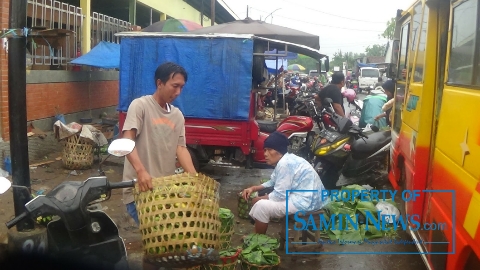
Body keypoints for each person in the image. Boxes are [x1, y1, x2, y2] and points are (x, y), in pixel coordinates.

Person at [122, 62, 197, 225]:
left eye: (181, 87)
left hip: (164, 191)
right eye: (174, 86)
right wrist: (141, 171)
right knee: (162, 239)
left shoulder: (177, 116)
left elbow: (181, 149)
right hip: (140, 190)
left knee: (169, 242)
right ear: (159, 83)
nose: (178, 92)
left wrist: (195, 179)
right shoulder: (140, 106)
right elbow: (127, 140)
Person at [241, 131, 329, 234]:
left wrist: (257, 199)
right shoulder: (286, 160)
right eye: (265, 150)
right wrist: (254, 188)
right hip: (309, 198)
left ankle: (257, 239)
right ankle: (255, 234)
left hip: (308, 202)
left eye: (269, 150)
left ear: (279, 152)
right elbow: (272, 181)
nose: (265, 154)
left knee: (261, 206)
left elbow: (279, 195)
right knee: (260, 202)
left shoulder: (285, 164)